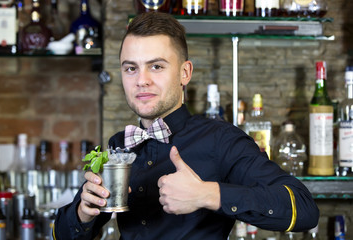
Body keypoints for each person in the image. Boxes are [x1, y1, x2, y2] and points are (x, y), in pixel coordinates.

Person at [53, 12, 319, 239]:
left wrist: (208, 194)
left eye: (156, 66)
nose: (141, 80)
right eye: (130, 68)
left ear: (185, 73)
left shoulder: (221, 140)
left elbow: (305, 209)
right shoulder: (118, 145)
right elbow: (63, 233)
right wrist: (83, 213)